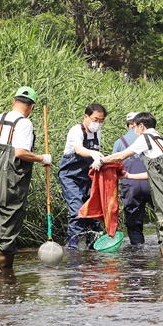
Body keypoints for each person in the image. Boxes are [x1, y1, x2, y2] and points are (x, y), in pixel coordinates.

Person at [91, 112, 163, 258]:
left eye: (136, 128)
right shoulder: (162, 141)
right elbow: (156, 173)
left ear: (141, 126)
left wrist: (102, 160)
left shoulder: (146, 137)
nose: (135, 132)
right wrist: (129, 176)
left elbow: (122, 156)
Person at [0, 86, 52, 270]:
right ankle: (4, 278)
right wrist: (42, 158)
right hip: (13, 180)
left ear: (13, 101)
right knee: (9, 226)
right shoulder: (25, 124)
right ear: (32, 106)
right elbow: (20, 153)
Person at [58, 103, 107, 250]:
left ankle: (92, 246)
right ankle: (73, 246)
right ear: (86, 117)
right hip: (70, 176)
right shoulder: (75, 131)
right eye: (95, 119)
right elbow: (79, 149)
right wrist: (92, 153)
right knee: (77, 210)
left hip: (88, 176)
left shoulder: (97, 133)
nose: (97, 124)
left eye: (101, 121)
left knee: (93, 210)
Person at [112, 112, 154, 245]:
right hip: (151, 183)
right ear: (140, 125)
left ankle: (138, 251)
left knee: (134, 222)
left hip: (130, 186)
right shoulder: (153, 138)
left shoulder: (119, 142)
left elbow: (114, 167)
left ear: (128, 126)